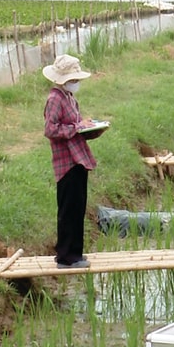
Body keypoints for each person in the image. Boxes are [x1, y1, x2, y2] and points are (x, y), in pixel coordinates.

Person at [43, 54, 106, 269]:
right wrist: (78, 127)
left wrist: (90, 128)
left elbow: (75, 126)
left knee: (78, 207)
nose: (76, 82)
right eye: (74, 79)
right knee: (68, 209)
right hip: (66, 161)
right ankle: (65, 257)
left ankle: (75, 255)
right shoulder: (54, 99)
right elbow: (50, 130)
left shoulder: (69, 97)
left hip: (79, 158)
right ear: (63, 79)